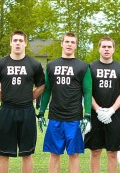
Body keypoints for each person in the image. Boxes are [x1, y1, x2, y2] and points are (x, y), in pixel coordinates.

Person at [37, 32, 92, 173]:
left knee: (73, 154)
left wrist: (87, 115)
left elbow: (87, 91)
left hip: (74, 117)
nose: (69, 44)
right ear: (62, 43)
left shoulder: (83, 66)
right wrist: (41, 112)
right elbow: (47, 90)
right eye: (67, 41)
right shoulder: (51, 65)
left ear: (76, 45)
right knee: (54, 154)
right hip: (55, 116)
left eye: (72, 42)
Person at [0, 30, 45, 173]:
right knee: (3, 153)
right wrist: (4, 98)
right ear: (10, 42)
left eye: (21, 40)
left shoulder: (34, 64)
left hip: (26, 110)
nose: (18, 43)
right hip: (7, 110)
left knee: (26, 153)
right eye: (15, 40)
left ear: (25, 43)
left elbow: (42, 85)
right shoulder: (0, 64)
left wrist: (31, 96)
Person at [84, 36, 120, 173]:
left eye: (109, 46)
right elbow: (87, 91)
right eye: (104, 46)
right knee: (95, 151)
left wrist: (111, 110)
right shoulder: (90, 67)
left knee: (112, 153)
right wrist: (97, 109)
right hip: (95, 114)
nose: (107, 49)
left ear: (113, 49)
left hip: (114, 115)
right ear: (99, 48)